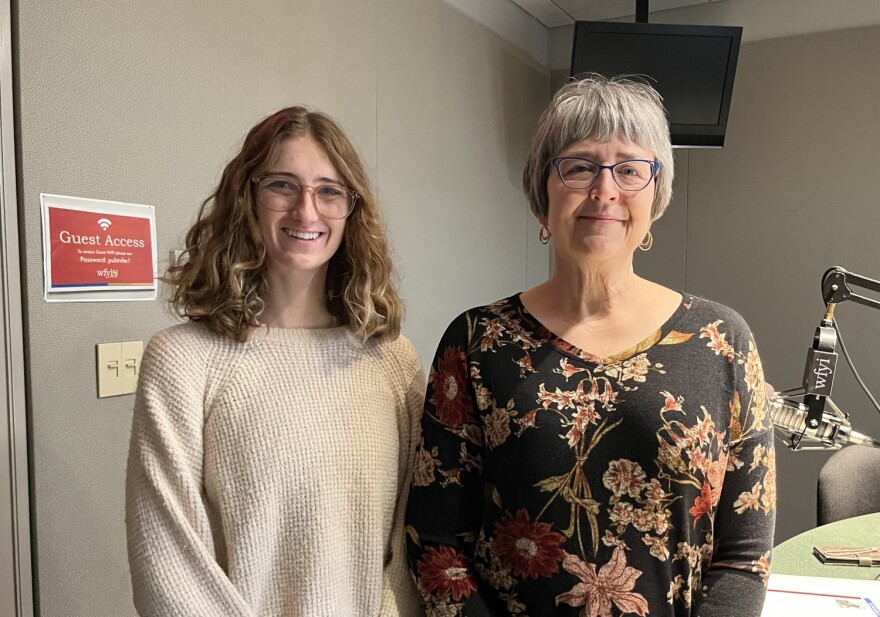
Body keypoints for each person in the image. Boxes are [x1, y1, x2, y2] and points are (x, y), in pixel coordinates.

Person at [405, 75, 776, 617]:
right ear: (542, 194)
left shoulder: (721, 341)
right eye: (578, 167)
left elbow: (744, 555)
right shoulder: (478, 342)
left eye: (629, 169)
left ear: (655, 193)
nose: (605, 190)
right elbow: (437, 546)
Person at [125, 106, 425, 616]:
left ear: (352, 210)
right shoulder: (182, 361)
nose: (307, 212)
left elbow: (410, 540)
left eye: (329, 191)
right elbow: (166, 563)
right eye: (283, 185)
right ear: (248, 197)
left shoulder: (393, 360)